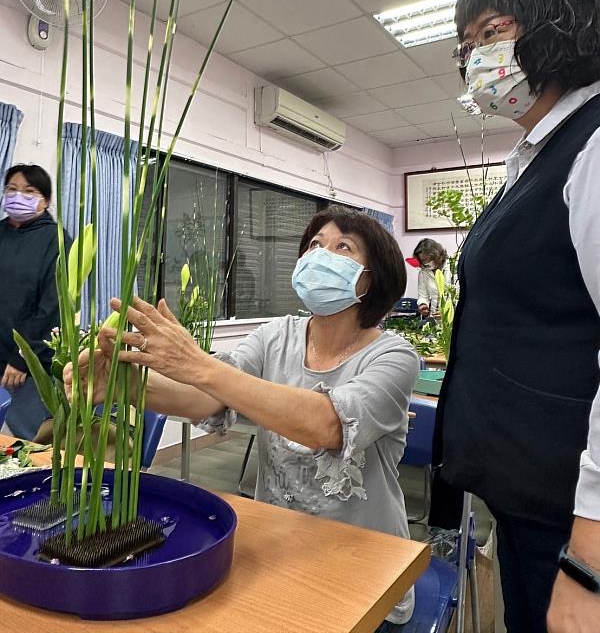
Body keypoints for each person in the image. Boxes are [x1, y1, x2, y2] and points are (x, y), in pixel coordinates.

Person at [67, 207, 420, 629]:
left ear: (373, 276)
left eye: (342, 246)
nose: (320, 255)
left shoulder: (394, 356)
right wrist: (126, 388)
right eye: (313, 245)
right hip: (280, 540)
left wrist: (198, 363)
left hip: (366, 554)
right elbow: (208, 398)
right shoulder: (276, 335)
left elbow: (327, 425)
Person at [430, 0, 600, 633]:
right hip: (530, 498)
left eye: (490, 32)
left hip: (572, 513)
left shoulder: (592, 146)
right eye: (466, 46)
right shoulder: (529, 160)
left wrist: (588, 558)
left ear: (558, 25)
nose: (475, 57)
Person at [0, 164, 64, 440]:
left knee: (30, 442)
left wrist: (23, 358)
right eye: (11, 189)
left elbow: (53, 308)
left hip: (25, 366)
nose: (18, 196)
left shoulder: (57, 241)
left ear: (45, 200)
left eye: (29, 191)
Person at [406, 238, 448, 317]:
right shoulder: (423, 272)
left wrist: (447, 311)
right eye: (422, 260)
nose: (425, 263)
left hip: (453, 316)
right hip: (434, 315)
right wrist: (423, 305)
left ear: (437, 255)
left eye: (427, 259)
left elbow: (458, 296)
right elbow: (423, 295)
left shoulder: (451, 268)